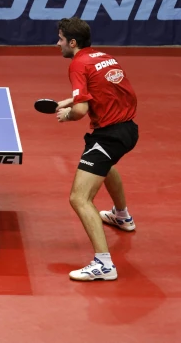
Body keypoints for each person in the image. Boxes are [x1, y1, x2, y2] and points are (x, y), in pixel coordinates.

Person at [54, 17, 139, 281]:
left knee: (79, 198)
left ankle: (104, 265)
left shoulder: (77, 64)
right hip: (129, 129)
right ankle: (122, 216)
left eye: (60, 39)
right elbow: (103, 89)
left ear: (72, 42)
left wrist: (67, 113)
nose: (57, 44)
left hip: (110, 135)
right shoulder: (104, 57)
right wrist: (73, 98)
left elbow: (80, 111)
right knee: (106, 166)